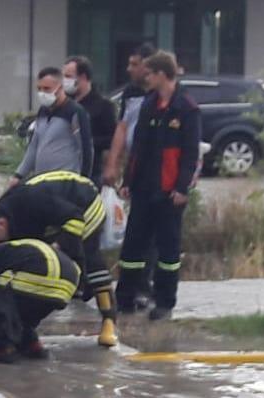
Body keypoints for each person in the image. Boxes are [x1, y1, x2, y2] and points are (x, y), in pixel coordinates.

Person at [0, 170, 118, 347]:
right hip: (58, 216)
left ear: (1, 223)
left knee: (89, 257)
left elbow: (75, 218)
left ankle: (109, 322)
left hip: (84, 204)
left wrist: (60, 245)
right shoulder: (8, 217)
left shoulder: (31, 202)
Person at [116, 51, 201, 321]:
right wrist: (128, 181)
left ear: (162, 74)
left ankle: (164, 302)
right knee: (133, 246)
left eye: (149, 73)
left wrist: (182, 188)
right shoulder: (149, 104)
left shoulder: (186, 108)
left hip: (169, 191)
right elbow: (138, 147)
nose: (145, 77)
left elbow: (190, 154)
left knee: (168, 250)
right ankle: (126, 297)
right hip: (144, 187)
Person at [0, 239, 81, 363]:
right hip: (68, 282)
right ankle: (30, 345)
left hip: (38, 272)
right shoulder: (6, 252)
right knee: (20, 314)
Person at [10, 67, 93, 187]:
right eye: (39, 89)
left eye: (47, 89)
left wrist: (84, 180)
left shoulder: (75, 112)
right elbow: (34, 146)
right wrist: (18, 175)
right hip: (41, 181)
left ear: (60, 88)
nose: (42, 93)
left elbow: (86, 148)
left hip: (65, 183)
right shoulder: (43, 111)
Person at [103, 43, 157, 186]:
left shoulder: (161, 93)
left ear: (147, 66)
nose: (129, 69)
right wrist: (112, 164)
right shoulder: (131, 92)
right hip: (134, 159)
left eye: (134, 64)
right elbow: (122, 127)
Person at [62, 56, 116, 188]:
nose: (65, 81)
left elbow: (111, 139)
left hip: (89, 174)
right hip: (62, 172)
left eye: (69, 76)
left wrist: (85, 141)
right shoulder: (63, 104)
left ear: (83, 77)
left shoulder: (103, 106)